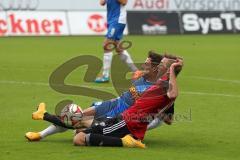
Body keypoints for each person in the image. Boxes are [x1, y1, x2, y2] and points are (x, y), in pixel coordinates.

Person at [25, 52, 170, 141]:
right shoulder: (142, 78)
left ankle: (43, 121)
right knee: (76, 115)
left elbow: (151, 112)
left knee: (79, 122)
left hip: (121, 114)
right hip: (114, 103)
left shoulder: (156, 88)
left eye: (146, 64)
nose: (143, 65)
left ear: (154, 68)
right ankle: (41, 128)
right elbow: (128, 96)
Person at [72, 55, 183, 148]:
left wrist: (173, 68)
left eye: (162, 65)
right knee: (79, 130)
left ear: (169, 71)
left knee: (79, 139)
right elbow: (167, 117)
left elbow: (173, 95)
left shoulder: (166, 85)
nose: (158, 66)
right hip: (123, 118)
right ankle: (125, 139)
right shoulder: (160, 82)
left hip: (127, 122)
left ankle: (127, 141)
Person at [95, 0, 139, 83]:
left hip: (118, 19)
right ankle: (136, 71)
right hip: (111, 20)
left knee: (107, 45)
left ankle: (105, 75)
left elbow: (124, 2)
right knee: (118, 48)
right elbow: (102, 3)